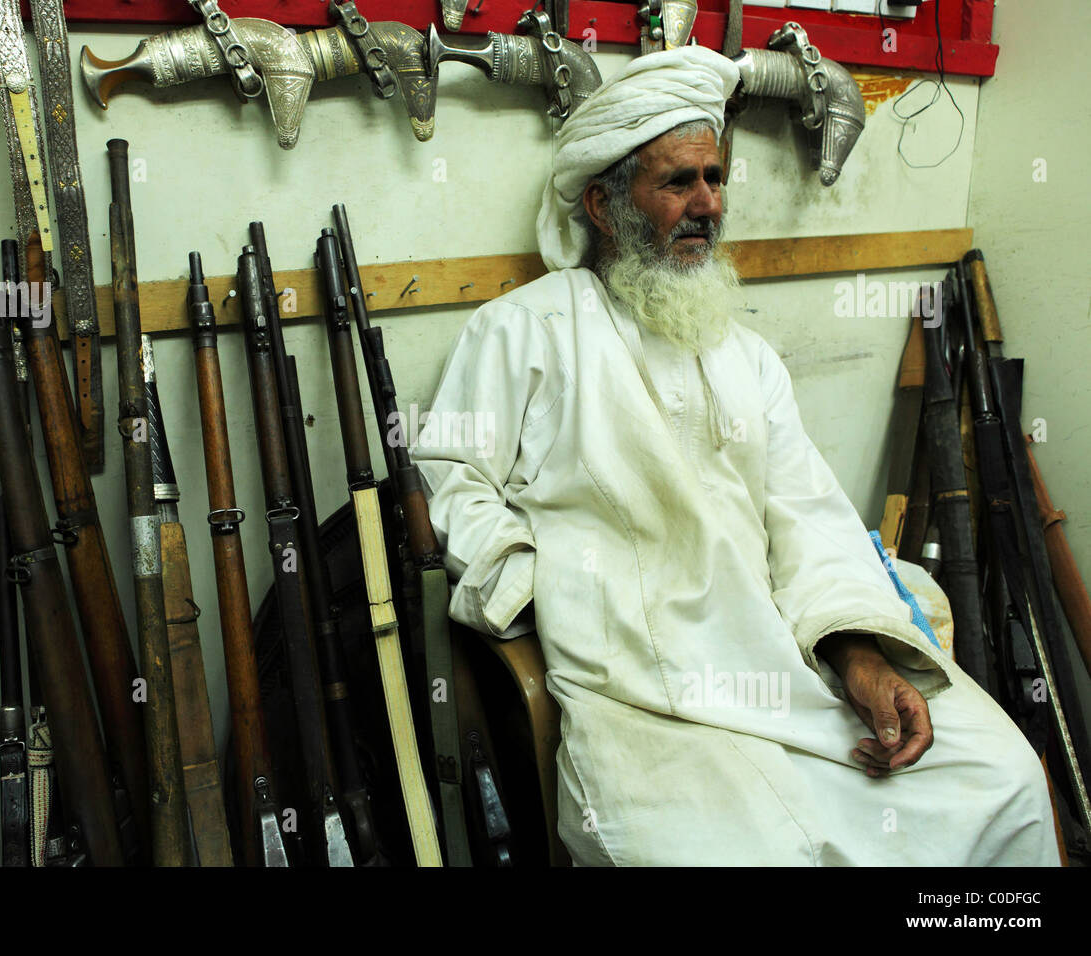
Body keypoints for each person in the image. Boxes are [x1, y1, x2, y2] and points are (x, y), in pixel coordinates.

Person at [411, 46, 1059, 866]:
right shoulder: (526, 331)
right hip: (640, 701)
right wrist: (531, 583)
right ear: (606, 207)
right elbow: (449, 477)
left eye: (715, 179)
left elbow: (808, 519)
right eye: (677, 182)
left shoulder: (743, 352)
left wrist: (858, 654)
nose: (707, 205)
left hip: (783, 667)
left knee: (1004, 780)